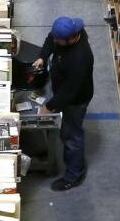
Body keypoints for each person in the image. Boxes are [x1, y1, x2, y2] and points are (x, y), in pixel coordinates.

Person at [32, 16, 95, 191]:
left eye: (59, 40)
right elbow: (51, 39)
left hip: (76, 99)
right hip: (62, 85)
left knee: (72, 136)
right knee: (64, 128)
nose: (55, 42)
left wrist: (49, 107)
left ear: (72, 38)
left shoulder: (80, 58)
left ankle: (74, 175)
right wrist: (43, 56)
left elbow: (70, 92)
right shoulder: (68, 31)